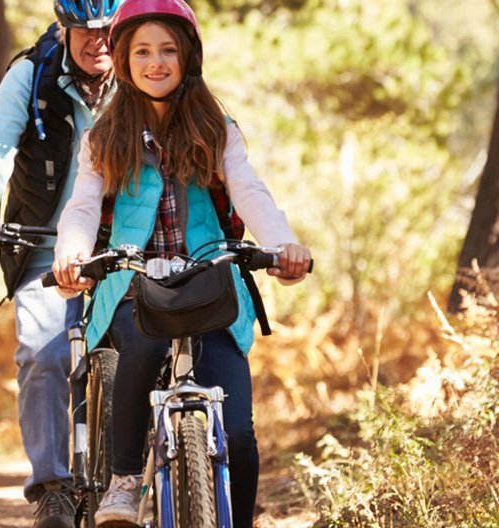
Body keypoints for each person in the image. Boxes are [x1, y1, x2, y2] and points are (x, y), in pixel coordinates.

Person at [48, 0, 313, 526]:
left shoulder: (216, 125)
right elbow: (82, 205)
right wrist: (71, 256)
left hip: (209, 281)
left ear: (188, 56)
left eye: (168, 50)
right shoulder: (105, 134)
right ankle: (125, 480)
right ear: (122, 60)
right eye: (142, 51)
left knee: (236, 431)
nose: (156, 62)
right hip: (133, 278)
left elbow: (249, 190)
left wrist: (283, 244)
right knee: (140, 344)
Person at [0, 1, 120, 525]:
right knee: (44, 353)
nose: (97, 42)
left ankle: (134, 478)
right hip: (44, 241)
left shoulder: (144, 67)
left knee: (145, 354)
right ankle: (52, 486)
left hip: (126, 241)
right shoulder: (32, 74)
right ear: (63, 29)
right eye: (83, 31)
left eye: (107, 31)